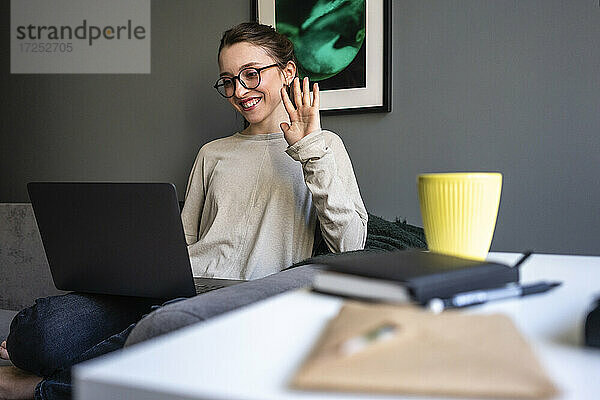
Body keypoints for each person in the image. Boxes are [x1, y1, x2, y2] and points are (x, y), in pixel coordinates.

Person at [0, 21, 367, 400]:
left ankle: (38, 389)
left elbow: (351, 246)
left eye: (251, 74)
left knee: (170, 329)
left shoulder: (323, 148)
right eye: (228, 80)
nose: (239, 91)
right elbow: (185, 242)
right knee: (39, 334)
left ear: (287, 72)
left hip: (241, 306)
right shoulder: (213, 153)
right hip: (180, 290)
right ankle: (97, 351)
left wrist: (309, 149)